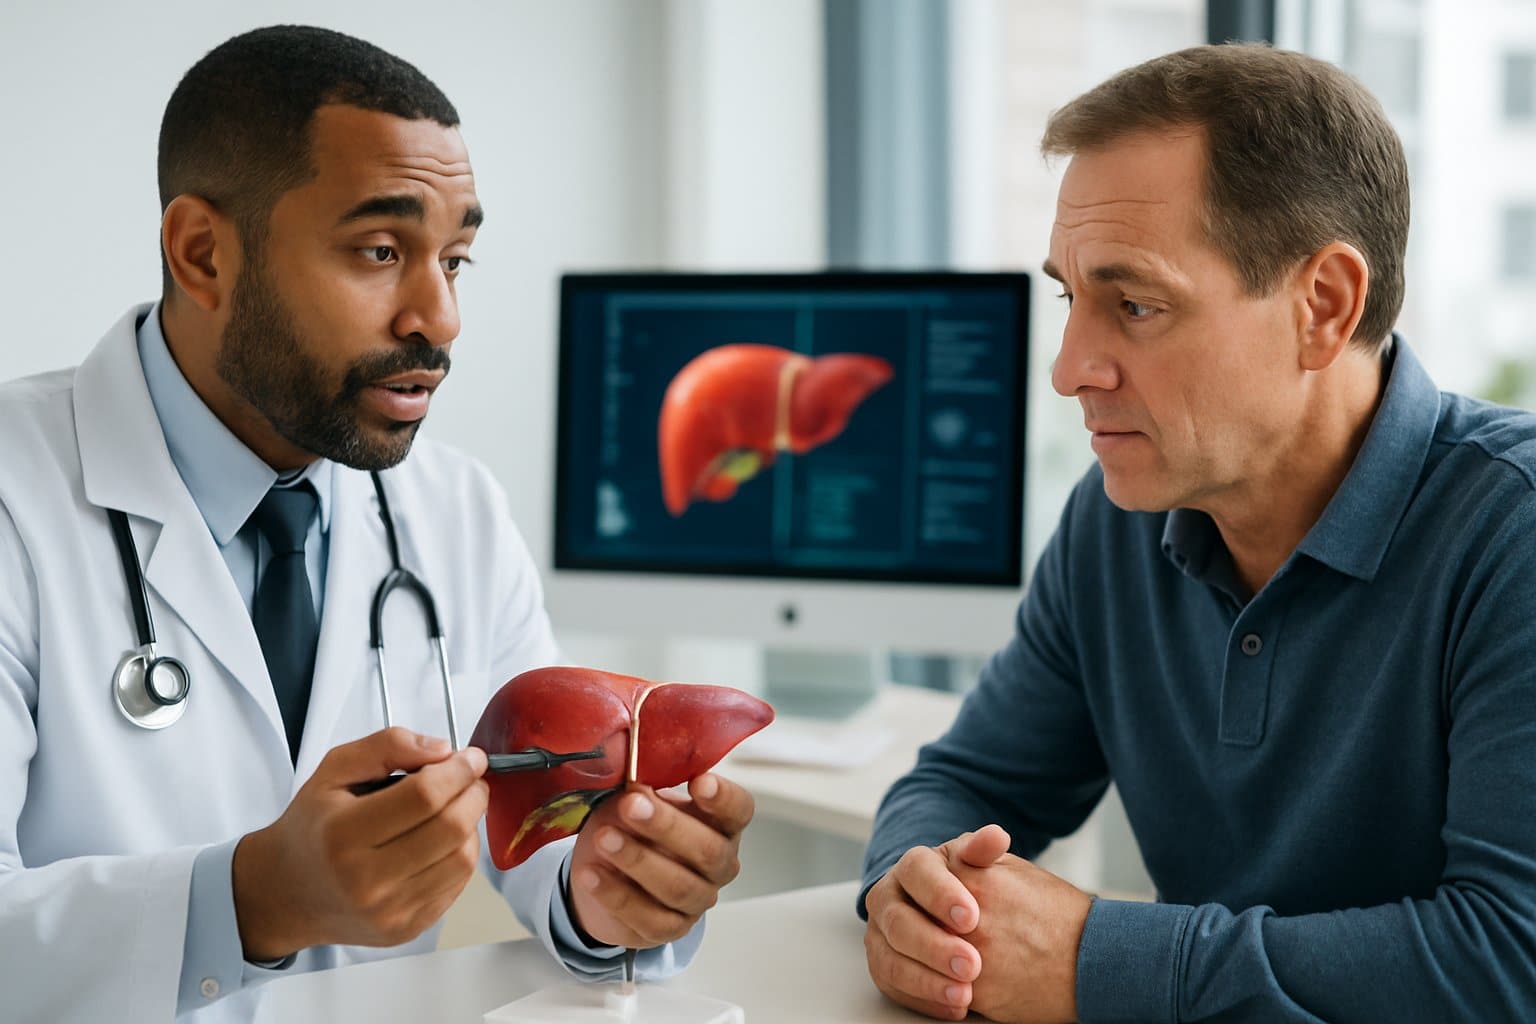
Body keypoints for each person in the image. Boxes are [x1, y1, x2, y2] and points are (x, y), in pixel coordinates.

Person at [0, 25, 754, 1023]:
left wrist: (607, 890)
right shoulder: (18, 494)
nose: (437, 318)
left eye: (456, 259)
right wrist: (251, 899)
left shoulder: (453, 510)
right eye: (381, 250)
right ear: (202, 253)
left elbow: (537, 819)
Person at [860, 43, 1536, 1023]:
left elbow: (1510, 959)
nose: (1069, 368)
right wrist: (910, 898)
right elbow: (966, 778)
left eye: (1133, 305)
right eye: (1071, 298)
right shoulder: (1119, 513)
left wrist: (1099, 959)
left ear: (1324, 307)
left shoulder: (1512, 527)